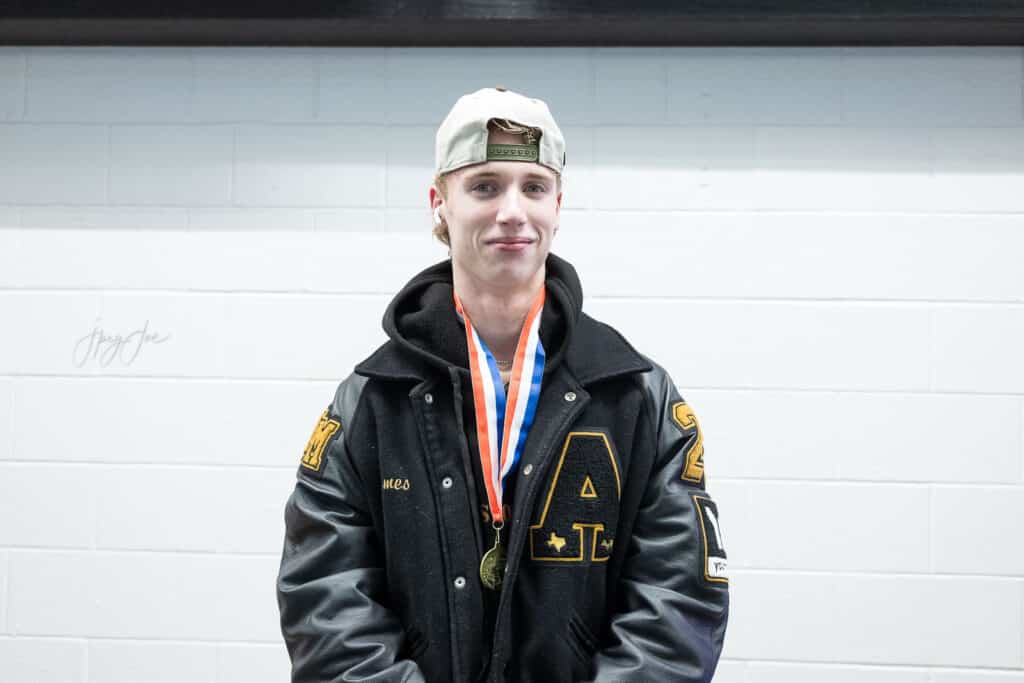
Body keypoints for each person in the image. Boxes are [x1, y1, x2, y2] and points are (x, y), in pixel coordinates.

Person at [276, 86, 729, 683]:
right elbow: (325, 602)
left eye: (533, 187)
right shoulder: (371, 402)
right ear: (440, 203)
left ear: (558, 205)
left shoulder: (636, 396)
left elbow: (678, 603)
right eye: (485, 186)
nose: (513, 211)